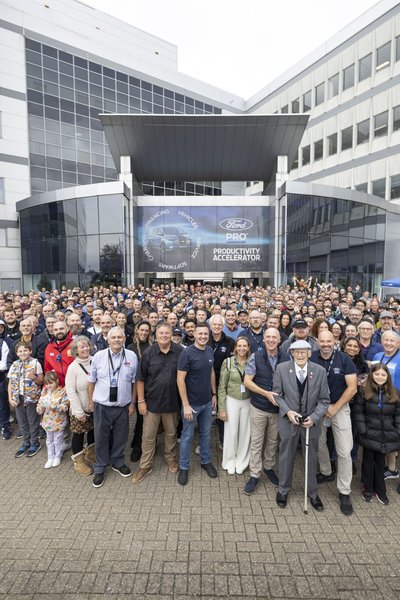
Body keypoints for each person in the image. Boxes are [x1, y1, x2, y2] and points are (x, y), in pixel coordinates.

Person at [273, 340, 330, 510]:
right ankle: (283, 490)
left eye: (303, 351)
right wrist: (288, 412)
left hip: (310, 424)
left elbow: (324, 400)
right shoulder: (281, 369)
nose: (300, 355)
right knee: (286, 456)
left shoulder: (319, 371)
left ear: (309, 353)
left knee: (311, 459)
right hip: (288, 421)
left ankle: (312, 493)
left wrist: (314, 417)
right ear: (291, 353)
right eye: (296, 352)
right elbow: (277, 395)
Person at [311, 330, 357, 515]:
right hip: (318, 408)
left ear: (334, 341)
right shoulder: (311, 357)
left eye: (328, 341)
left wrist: (335, 407)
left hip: (340, 407)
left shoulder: (344, 359)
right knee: (319, 443)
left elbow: (352, 388)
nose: (325, 345)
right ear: (317, 342)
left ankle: (344, 491)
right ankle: (326, 472)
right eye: (322, 341)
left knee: (344, 450)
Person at [131, 323, 183, 483]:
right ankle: (145, 465)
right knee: (148, 435)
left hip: (172, 402)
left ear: (171, 334)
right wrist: (141, 401)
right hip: (152, 403)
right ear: (156, 335)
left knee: (171, 433)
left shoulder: (180, 351)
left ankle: (170, 458)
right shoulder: (148, 352)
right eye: (161, 333)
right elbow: (140, 379)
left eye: (167, 333)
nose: (164, 336)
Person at [88, 326, 137, 488]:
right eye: (113, 337)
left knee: (121, 436)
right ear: (108, 340)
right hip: (102, 405)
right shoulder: (99, 356)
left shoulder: (131, 356)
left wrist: (132, 403)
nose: (117, 340)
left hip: (123, 406)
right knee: (101, 437)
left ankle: (117, 461)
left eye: (119, 337)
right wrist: (91, 402)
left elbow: (134, 382)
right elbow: (91, 381)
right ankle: (100, 467)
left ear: (124, 339)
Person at [243, 328, 290, 495]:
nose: (270, 340)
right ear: (263, 339)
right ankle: (255, 474)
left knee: (273, 441)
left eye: (274, 337)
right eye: (268, 337)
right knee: (256, 442)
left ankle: (268, 467)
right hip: (259, 407)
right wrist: (266, 394)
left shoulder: (287, 357)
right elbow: (247, 381)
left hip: (278, 409)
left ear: (279, 340)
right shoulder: (255, 357)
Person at [177, 323, 217, 486]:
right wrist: (185, 404)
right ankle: (184, 467)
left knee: (206, 434)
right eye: (200, 334)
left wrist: (214, 394)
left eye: (205, 334)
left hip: (207, 402)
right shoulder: (187, 353)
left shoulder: (209, 350)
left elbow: (211, 372)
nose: (203, 336)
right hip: (191, 404)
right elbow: (180, 379)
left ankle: (205, 461)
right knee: (187, 436)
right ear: (194, 334)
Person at [353, 364, 400, 504]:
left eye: (383, 375)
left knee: (380, 462)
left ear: (387, 376)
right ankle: (367, 487)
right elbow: (358, 412)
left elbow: (398, 415)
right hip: (369, 433)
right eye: (377, 374)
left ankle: (380, 489)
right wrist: (363, 430)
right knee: (367, 461)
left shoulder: (394, 392)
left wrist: (397, 430)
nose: (380, 377)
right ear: (371, 375)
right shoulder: (364, 391)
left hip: (386, 435)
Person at [218, 336, 251, 475]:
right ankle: (229, 461)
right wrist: (222, 408)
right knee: (231, 432)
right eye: (239, 346)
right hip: (232, 400)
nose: (242, 348)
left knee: (245, 432)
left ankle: (242, 461)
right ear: (235, 347)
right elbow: (222, 386)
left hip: (247, 401)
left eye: (245, 346)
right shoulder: (228, 362)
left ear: (248, 348)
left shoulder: (252, 362)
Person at [7, 340, 43, 457]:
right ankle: (26, 442)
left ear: (30, 351)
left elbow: (41, 381)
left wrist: (33, 377)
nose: (23, 353)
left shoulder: (35, 363)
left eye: (25, 350)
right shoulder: (14, 365)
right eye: (20, 351)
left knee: (33, 421)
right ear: (17, 353)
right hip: (18, 398)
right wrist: (10, 398)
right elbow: (10, 383)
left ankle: (35, 443)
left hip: (32, 398)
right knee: (22, 422)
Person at [65, 336, 95, 476]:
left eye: (87, 345)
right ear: (75, 350)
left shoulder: (95, 361)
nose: (85, 348)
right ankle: (79, 462)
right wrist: (78, 411)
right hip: (80, 409)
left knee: (93, 431)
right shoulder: (73, 368)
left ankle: (91, 453)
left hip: (95, 407)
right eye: (82, 347)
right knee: (78, 435)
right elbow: (71, 391)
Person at [372, 330, 400, 479]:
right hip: (381, 402)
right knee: (386, 435)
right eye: (386, 340)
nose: (388, 343)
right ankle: (391, 468)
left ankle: (393, 468)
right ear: (381, 341)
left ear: (398, 343)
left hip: (396, 402)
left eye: (392, 341)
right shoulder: (377, 356)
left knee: (393, 436)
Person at [127, 320, 152, 463]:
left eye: (146, 330)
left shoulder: (152, 347)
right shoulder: (130, 348)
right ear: (137, 330)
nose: (144, 332)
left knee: (145, 418)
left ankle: (141, 445)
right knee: (139, 418)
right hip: (134, 387)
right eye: (141, 330)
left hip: (149, 388)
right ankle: (137, 445)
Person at [36, 371, 69, 468]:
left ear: (56, 381)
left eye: (51, 383)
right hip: (47, 422)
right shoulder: (44, 392)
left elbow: (66, 406)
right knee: (49, 440)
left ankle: (58, 456)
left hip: (59, 422)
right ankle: (50, 457)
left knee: (58, 440)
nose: (49, 385)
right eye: (47, 383)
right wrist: (39, 409)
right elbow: (40, 404)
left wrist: (56, 407)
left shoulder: (61, 392)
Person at [44, 320, 74, 386]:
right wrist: (46, 386)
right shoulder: (49, 348)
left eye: (61, 329)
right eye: (56, 330)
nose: (58, 331)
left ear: (67, 329)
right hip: (57, 387)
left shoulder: (74, 345)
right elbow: (47, 370)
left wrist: (71, 385)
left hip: (74, 385)